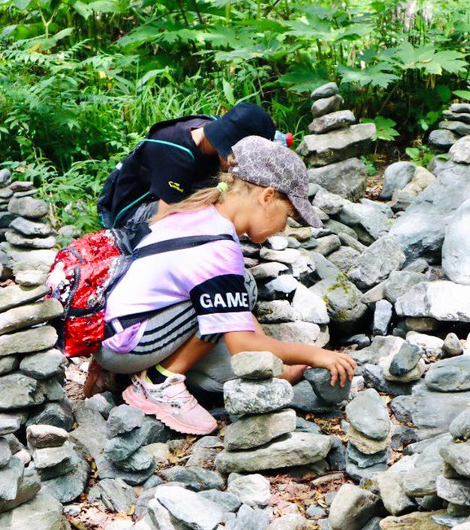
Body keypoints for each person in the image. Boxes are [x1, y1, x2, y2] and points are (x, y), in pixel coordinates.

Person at [91, 136, 357, 435]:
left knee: (242, 290)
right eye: (288, 215)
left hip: (117, 330)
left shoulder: (200, 212)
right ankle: (159, 381)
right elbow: (242, 344)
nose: (284, 227)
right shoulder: (217, 245)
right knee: (223, 305)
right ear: (267, 196)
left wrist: (276, 365)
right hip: (126, 344)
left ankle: (137, 373)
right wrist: (314, 354)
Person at [97, 102, 276, 233]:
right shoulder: (177, 155)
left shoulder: (212, 126)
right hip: (132, 211)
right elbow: (164, 220)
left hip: (180, 187)